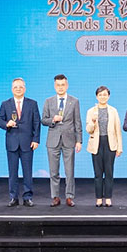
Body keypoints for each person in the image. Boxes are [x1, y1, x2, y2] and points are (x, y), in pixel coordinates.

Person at [0, 78, 41, 207]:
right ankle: (13, 197)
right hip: (12, 143)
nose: (18, 89)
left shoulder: (32, 103)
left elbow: (36, 123)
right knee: (12, 172)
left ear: (24, 89)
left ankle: (28, 197)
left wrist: (36, 139)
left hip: (28, 143)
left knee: (28, 172)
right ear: (12, 89)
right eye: (15, 87)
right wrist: (7, 124)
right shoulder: (5, 104)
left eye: (20, 87)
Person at [41, 74, 83, 207]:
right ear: (54, 86)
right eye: (58, 85)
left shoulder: (74, 101)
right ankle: (55, 197)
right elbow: (43, 120)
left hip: (69, 140)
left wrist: (79, 140)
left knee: (69, 171)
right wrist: (53, 119)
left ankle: (69, 196)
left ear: (67, 86)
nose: (60, 87)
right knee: (53, 171)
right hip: (53, 140)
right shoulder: (48, 101)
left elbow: (78, 122)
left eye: (63, 85)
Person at [86, 86, 123, 207]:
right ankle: (98, 198)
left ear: (109, 96)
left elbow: (118, 130)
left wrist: (119, 147)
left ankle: (108, 198)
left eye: (105, 95)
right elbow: (88, 130)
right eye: (100, 95)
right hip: (96, 144)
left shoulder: (113, 111)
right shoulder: (91, 111)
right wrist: (93, 121)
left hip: (110, 143)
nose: (102, 97)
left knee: (109, 172)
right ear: (97, 96)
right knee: (98, 173)